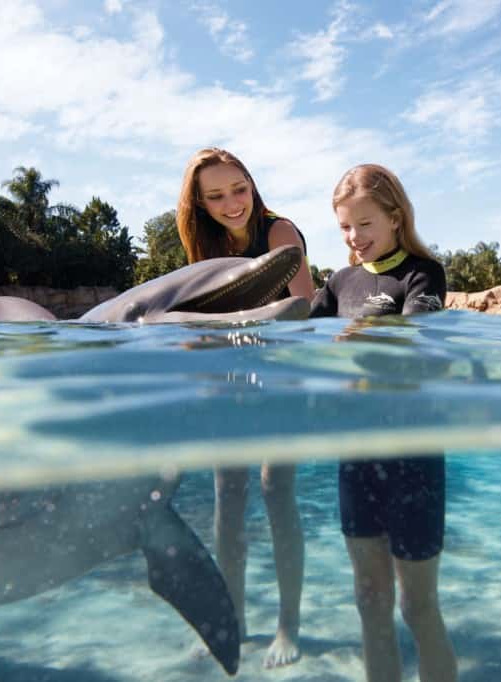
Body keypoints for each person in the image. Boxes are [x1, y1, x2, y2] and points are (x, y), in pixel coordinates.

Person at [310, 164, 457, 682]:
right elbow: (296, 334)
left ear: (395, 217)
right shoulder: (338, 282)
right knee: (370, 602)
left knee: (417, 607)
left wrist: (364, 335)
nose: (355, 238)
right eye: (346, 228)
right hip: (357, 453)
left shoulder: (423, 272)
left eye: (365, 224)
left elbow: (417, 333)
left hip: (412, 453)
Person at [176, 147, 314, 669]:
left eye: (240, 188)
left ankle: (288, 625)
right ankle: (230, 620)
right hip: (231, 381)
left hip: (282, 374)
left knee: (275, 492)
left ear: (251, 184)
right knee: (226, 503)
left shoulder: (279, 233)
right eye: (216, 196)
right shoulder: (206, 244)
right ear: (199, 205)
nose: (233, 203)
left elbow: (298, 311)